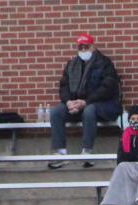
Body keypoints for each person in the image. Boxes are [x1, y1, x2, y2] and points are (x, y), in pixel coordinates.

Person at [48, 33, 122, 169]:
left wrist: (86, 102)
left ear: (93, 46)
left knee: (89, 110)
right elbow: (64, 86)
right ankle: (60, 153)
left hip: (103, 105)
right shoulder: (72, 64)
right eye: (80, 47)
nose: (83, 50)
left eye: (86, 46)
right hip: (79, 104)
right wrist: (68, 102)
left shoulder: (105, 63)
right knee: (56, 112)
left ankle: (87, 152)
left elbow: (107, 89)